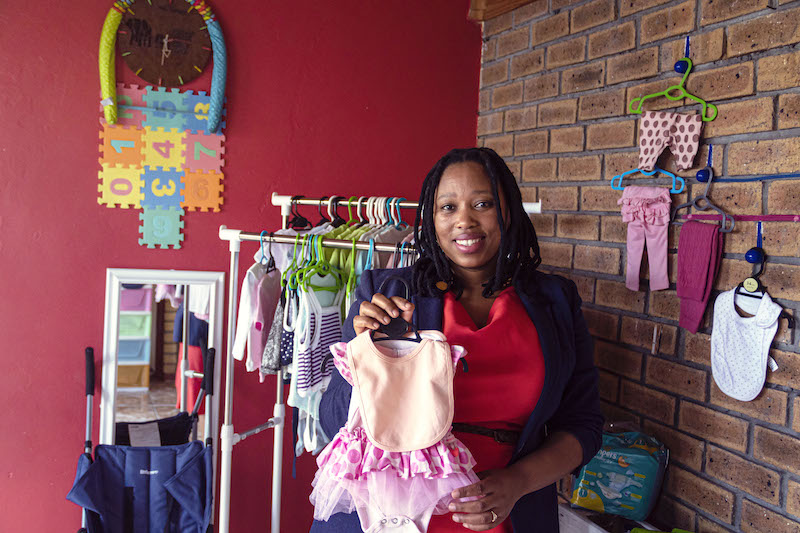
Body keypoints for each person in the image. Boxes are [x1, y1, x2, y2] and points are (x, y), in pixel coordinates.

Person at [311, 147, 603, 532]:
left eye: (482, 203)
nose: (465, 220)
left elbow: (583, 425)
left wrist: (517, 483)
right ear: (431, 220)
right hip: (388, 516)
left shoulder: (556, 302)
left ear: (508, 211)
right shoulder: (387, 295)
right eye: (448, 207)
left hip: (506, 513)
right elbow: (332, 422)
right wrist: (366, 358)